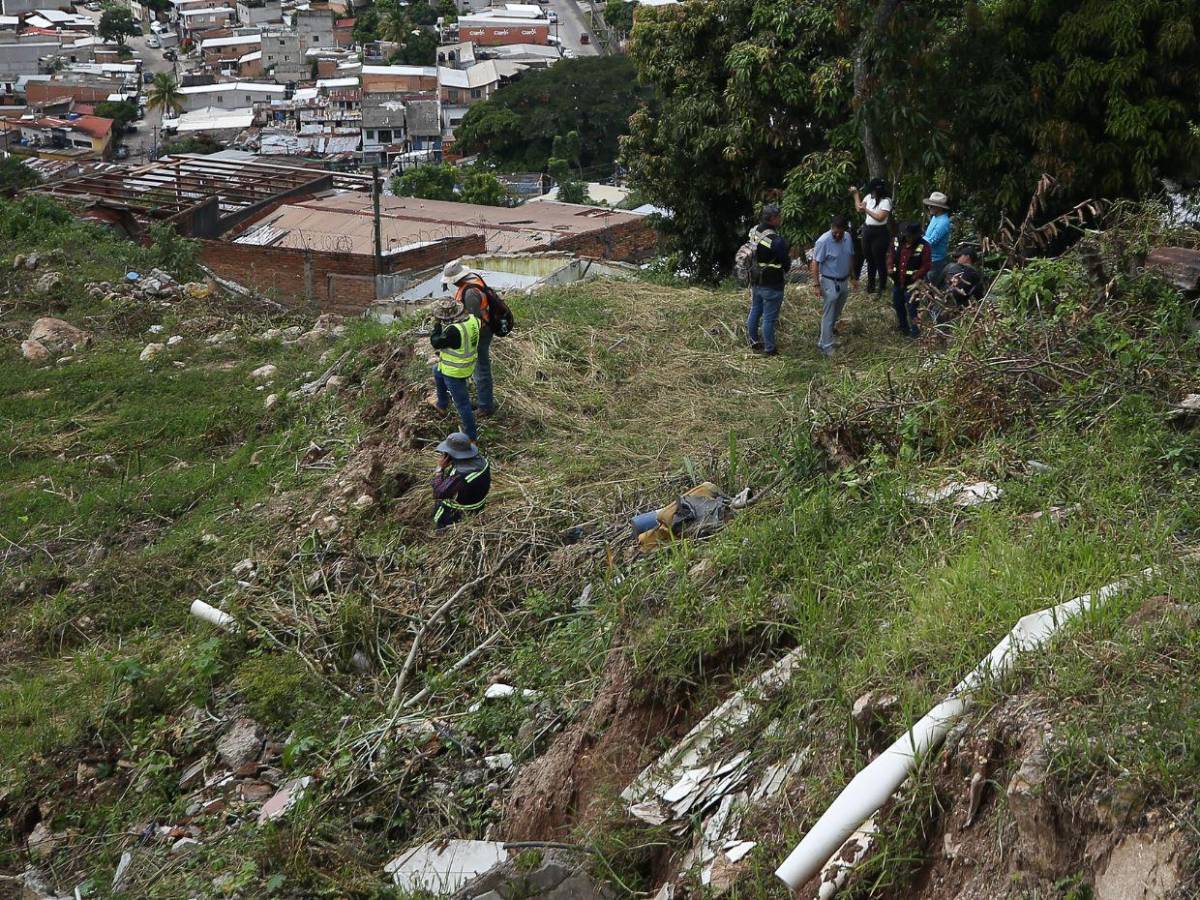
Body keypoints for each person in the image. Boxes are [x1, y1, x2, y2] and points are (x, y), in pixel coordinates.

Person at [441, 260, 496, 418]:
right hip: (482, 328)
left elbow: (473, 320)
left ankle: (485, 406)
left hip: (481, 332)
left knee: (481, 368)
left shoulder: (470, 292)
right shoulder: (472, 281)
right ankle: (483, 401)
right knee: (477, 367)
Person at [428, 297, 480, 442]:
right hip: (467, 364)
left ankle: (471, 437)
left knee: (462, 404)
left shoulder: (453, 330)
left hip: (455, 371)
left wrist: (437, 326)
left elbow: (436, 342)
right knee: (437, 370)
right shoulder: (473, 320)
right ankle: (442, 404)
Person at [810, 214, 857, 358]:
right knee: (829, 314)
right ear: (831, 227)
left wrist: (853, 277)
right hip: (829, 281)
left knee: (836, 312)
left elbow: (850, 257)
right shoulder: (823, 241)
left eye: (840, 233)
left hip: (843, 280)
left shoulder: (848, 237)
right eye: (834, 232)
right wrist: (816, 284)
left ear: (844, 230)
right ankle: (826, 346)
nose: (837, 235)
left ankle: (826, 339)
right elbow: (815, 262)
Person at [746, 204, 790, 355]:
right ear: (772, 219)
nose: (780, 219)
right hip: (772, 283)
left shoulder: (754, 231)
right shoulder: (776, 241)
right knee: (769, 318)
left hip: (755, 278)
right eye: (778, 217)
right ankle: (770, 348)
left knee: (755, 309)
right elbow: (786, 263)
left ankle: (753, 341)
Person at [432, 432, 491, 529]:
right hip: (477, 509)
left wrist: (439, 469)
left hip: (455, 516)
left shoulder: (461, 474)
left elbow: (439, 493)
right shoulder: (482, 461)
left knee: (443, 532)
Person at [888, 222, 931, 337]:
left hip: (913, 284)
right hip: (897, 281)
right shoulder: (897, 241)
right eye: (908, 236)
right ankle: (903, 328)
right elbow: (891, 255)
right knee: (898, 305)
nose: (909, 239)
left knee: (912, 308)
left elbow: (926, 265)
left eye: (912, 236)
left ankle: (915, 332)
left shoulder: (924, 246)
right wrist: (890, 267)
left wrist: (917, 275)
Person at [850, 178, 892, 295]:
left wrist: (866, 210)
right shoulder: (868, 197)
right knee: (869, 260)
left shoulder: (886, 201)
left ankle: (882, 287)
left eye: (873, 191)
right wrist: (856, 194)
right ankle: (871, 286)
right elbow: (859, 208)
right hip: (868, 230)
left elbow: (880, 218)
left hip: (880, 232)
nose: (872, 193)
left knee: (879, 260)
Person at [931, 244, 984, 324]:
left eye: (960, 256)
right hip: (962, 310)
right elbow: (979, 295)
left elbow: (937, 285)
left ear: (967, 257)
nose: (958, 258)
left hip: (945, 304)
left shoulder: (952, 267)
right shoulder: (976, 274)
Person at [922, 191, 953, 283]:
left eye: (932, 206)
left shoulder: (943, 222)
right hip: (929, 258)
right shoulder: (935, 217)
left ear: (939, 207)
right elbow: (928, 237)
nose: (929, 207)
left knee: (932, 285)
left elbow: (932, 241)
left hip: (936, 261)